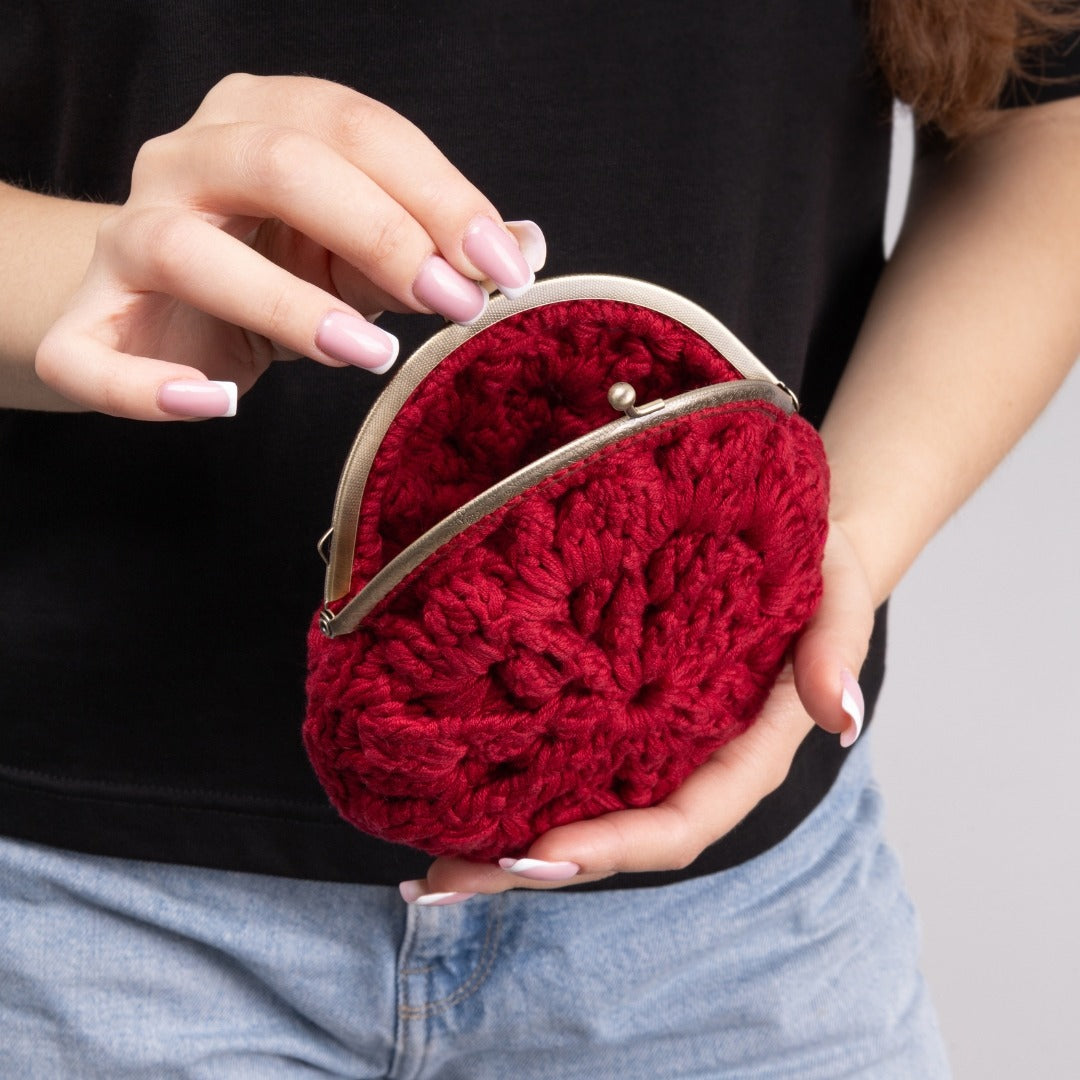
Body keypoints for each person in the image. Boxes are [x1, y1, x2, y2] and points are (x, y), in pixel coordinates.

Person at [1, 2, 1078, 1076]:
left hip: (743, 933)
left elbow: (1047, 112)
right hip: (76, 914)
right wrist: (92, 281)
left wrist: (822, 549)